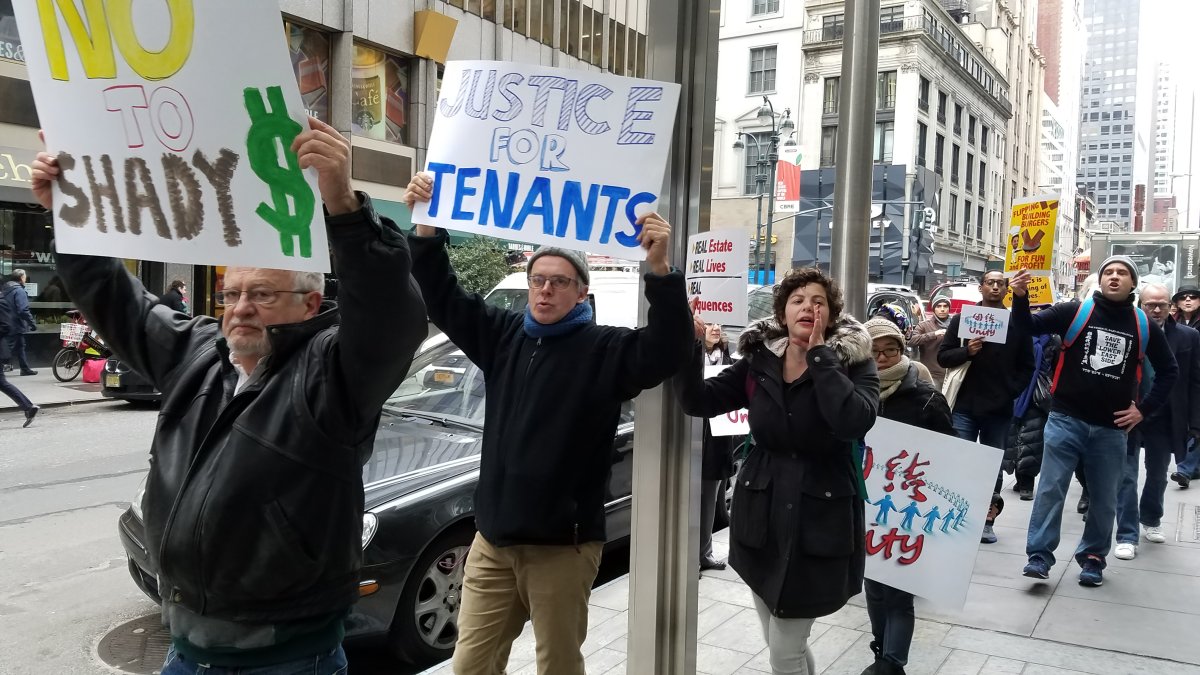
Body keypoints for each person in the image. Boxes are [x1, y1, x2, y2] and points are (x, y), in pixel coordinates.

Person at [30, 118, 428, 673]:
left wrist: (344, 205)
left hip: (286, 660)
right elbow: (116, 300)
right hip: (187, 652)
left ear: (309, 306)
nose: (240, 307)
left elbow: (391, 318)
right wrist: (67, 216)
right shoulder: (196, 351)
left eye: (263, 293)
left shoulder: (331, 375)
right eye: (232, 292)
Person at [402, 172, 692, 675]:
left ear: (581, 292)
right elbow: (443, 297)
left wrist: (660, 270)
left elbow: (669, 348)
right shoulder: (503, 335)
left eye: (559, 282)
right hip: (492, 541)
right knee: (470, 664)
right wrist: (425, 228)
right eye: (538, 279)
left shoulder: (606, 349)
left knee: (557, 665)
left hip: (563, 546)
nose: (545, 289)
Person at [676, 267, 878, 675]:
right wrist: (690, 344)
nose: (808, 308)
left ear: (832, 314)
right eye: (798, 300)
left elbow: (854, 421)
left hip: (819, 518)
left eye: (818, 302)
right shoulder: (759, 361)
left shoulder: (854, 362)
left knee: (784, 649)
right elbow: (698, 400)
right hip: (762, 516)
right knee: (780, 641)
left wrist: (821, 357)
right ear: (783, 312)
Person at [1011, 257, 1178, 587]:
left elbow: (1169, 371)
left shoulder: (1142, 324)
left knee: (1104, 499)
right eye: (1109, 272)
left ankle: (1093, 558)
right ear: (1101, 280)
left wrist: (1143, 410)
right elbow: (1027, 327)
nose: (1115, 277)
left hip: (1112, 430)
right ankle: (1040, 556)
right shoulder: (1075, 311)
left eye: (1123, 273)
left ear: (1133, 284)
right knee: (1051, 489)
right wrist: (1019, 298)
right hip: (1065, 420)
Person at [861, 318, 953, 675]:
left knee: (899, 590)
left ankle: (891, 662)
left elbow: (950, 453)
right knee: (873, 586)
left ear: (903, 350)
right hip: (868, 509)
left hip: (909, 510)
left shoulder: (926, 397)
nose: (883, 358)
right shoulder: (855, 394)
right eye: (875, 351)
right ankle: (881, 649)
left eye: (891, 350)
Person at [937, 271, 1034, 544]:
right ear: (980, 288)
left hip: (999, 410)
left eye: (999, 283)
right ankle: (956, 515)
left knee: (992, 466)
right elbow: (943, 357)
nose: (994, 287)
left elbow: (1028, 367)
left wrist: (1010, 391)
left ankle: (986, 519)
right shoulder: (962, 319)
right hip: (964, 407)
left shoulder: (1017, 323)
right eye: (989, 283)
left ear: (1006, 290)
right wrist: (966, 352)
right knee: (961, 462)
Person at [1113, 284, 1200, 560]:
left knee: (1158, 473)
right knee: (1125, 476)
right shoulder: (1126, 329)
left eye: (1162, 304)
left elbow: (1195, 381)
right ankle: (1127, 534)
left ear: (1170, 306)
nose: (1157, 309)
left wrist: (1195, 423)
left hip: (1165, 416)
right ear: (1141, 304)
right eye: (1151, 304)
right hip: (1128, 414)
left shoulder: (1189, 337)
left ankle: (1151, 518)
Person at [1008, 308, 1062, 501]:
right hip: (1016, 391)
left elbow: (1058, 368)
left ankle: (1027, 481)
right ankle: (1018, 475)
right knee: (1013, 437)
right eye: (1032, 308)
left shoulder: (1054, 340)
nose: (1036, 312)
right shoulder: (1016, 334)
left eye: (1041, 309)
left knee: (1033, 438)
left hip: (1038, 395)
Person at [697, 319, 736, 572]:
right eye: (709, 323)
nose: (716, 328)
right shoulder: (690, 358)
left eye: (720, 324)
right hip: (691, 441)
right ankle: (688, 555)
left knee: (709, 500)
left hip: (717, 441)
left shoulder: (730, 361)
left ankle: (704, 553)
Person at [0, 269, 38, 375]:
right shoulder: (19, 291)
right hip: (15, 324)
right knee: (7, 347)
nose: (25, 278)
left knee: (20, 346)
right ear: (21, 278)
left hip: (7, 322)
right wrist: (32, 323)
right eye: (25, 276)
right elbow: (23, 310)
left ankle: (25, 369)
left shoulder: (6, 289)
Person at [909, 298, 952, 388]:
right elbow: (911, 340)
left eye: (945, 306)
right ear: (934, 309)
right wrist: (934, 334)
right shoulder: (924, 325)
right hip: (932, 375)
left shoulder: (955, 325)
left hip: (951, 374)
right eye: (939, 306)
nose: (942, 309)